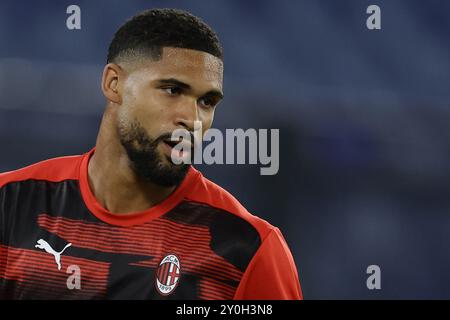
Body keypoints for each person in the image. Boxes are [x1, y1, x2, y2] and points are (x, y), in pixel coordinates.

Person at [0, 8, 302, 300]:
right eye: (172, 90)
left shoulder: (247, 249)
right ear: (113, 84)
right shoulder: (9, 204)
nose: (192, 119)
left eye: (207, 102)